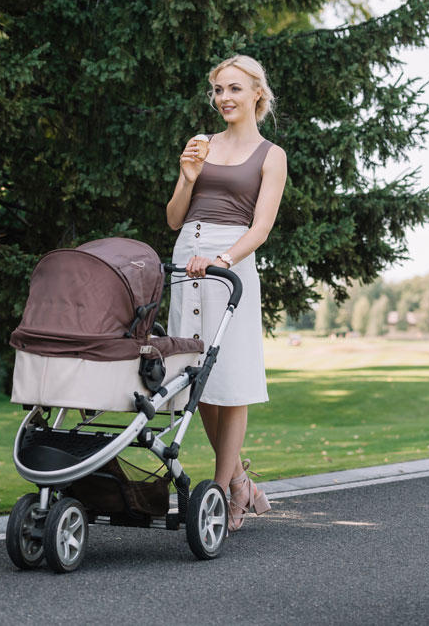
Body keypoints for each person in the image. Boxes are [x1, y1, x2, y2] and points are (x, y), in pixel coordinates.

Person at [165, 55, 288, 532]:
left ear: (257, 92)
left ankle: (223, 489)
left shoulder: (271, 155)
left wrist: (223, 260)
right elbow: (175, 217)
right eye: (218, 90)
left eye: (234, 89)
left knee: (229, 380)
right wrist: (188, 178)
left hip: (230, 262)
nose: (224, 99)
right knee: (196, 377)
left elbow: (261, 228)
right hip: (186, 257)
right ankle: (240, 479)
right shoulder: (200, 144)